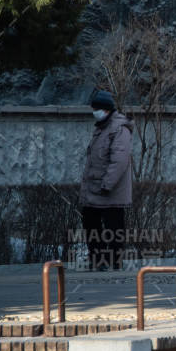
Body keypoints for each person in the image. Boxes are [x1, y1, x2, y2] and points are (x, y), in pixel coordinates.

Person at [79, 88, 133, 270]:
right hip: (95, 189)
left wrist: (107, 184)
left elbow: (119, 160)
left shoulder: (119, 128)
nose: (95, 112)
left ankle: (114, 262)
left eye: (97, 108)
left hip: (110, 190)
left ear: (106, 109)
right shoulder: (101, 128)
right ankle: (98, 260)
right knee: (90, 223)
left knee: (114, 228)